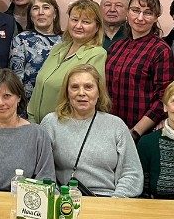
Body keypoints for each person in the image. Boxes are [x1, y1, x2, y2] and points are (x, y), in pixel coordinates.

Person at [41, 64, 143, 197]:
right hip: (66, 199)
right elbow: (42, 171)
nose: (81, 93)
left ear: (99, 92)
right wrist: (58, 199)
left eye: (88, 87)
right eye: (75, 87)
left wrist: (116, 200)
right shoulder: (51, 123)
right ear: (67, 92)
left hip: (108, 199)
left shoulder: (116, 125)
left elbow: (132, 173)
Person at [106, 0, 174, 140]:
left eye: (148, 13)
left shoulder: (161, 50)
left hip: (142, 134)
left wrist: (135, 132)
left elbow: (165, 98)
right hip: (110, 130)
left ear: (156, 17)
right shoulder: (116, 47)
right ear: (127, 12)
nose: (140, 18)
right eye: (135, 10)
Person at [27, 0, 107, 123]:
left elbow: (89, 99)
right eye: (74, 20)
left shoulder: (97, 54)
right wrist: (31, 119)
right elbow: (39, 86)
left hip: (64, 126)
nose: (78, 26)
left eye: (86, 22)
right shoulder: (58, 48)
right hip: (37, 125)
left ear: (97, 27)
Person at [9, 0, 63, 101]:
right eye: (35, 8)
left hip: (61, 103)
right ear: (31, 16)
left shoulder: (66, 41)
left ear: (55, 14)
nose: (40, 12)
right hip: (29, 104)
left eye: (46, 7)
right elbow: (16, 80)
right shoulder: (21, 40)